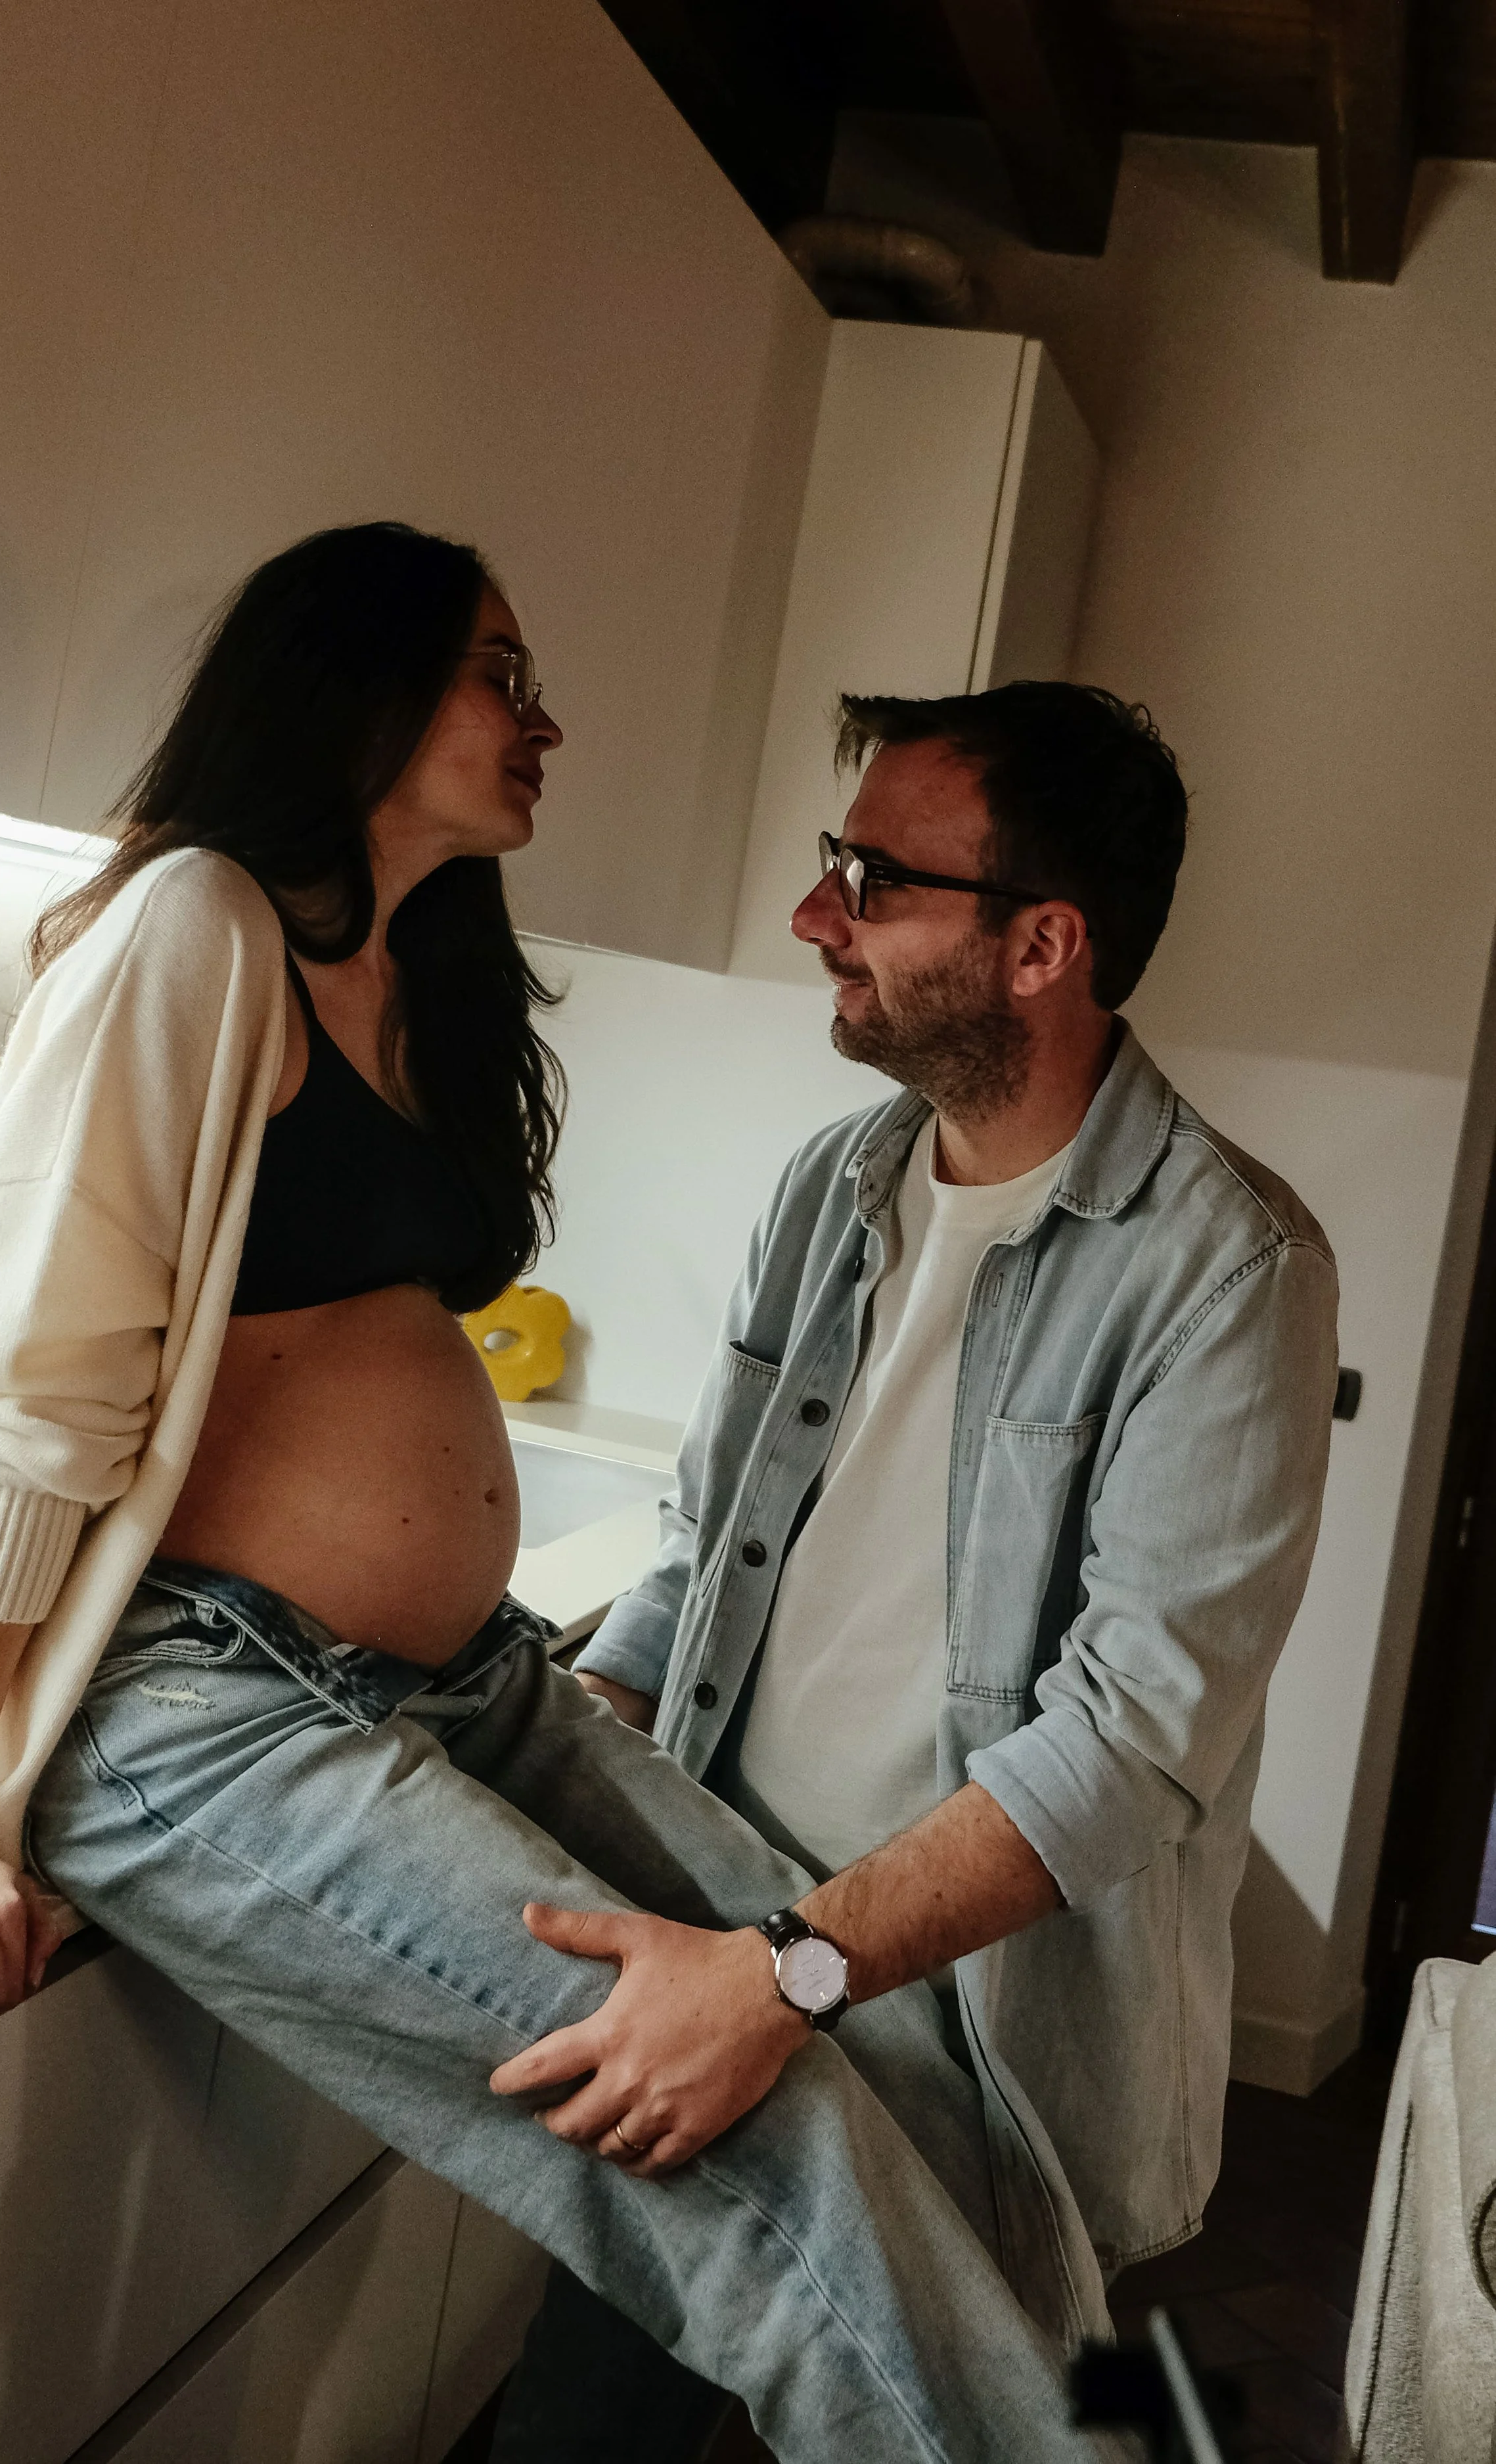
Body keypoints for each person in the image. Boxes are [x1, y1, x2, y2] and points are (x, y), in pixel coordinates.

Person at [0, 525, 1118, 2464]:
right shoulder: (195, 926)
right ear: (357, 681)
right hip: (207, 1713)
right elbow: (21, 1390)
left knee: (893, 2054)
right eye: (499, 675)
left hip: (467, 1687)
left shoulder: (417, 971)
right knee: (757, 2146)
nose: (548, 722)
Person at [490, 681, 1340, 2461]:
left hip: (982, 2034)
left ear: (1040, 943)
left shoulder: (1232, 1268)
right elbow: (701, 1549)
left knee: (1038, 2416)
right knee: (580, 2422)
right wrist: (583, 1721)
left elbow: (1127, 1738)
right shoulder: (830, 1186)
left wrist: (790, 1971)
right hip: (717, 1931)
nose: (817, 916)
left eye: (871, 876)